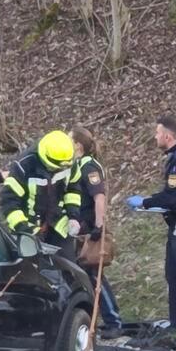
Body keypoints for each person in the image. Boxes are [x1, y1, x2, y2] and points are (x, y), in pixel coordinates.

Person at [127, 116, 176, 347]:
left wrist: (145, 202)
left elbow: (172, 197)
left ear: (168, 136)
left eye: (157, 133)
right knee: (172, 274)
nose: (155, 137)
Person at [69, 131, 122, 334]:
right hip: (81, 229)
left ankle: (113, 321)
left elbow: (98, 196)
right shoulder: (78, 166)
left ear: (78, 146)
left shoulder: (89, 166)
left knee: (94, 275)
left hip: (89, 230)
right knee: (86, 276)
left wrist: (99, 226)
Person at [0, 130, 78, 245]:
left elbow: (73, 189)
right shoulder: (24, 166)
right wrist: (25, 230)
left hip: (59, 227)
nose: (58, 171)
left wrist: (73, 216)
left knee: (67, 263)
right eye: (53, 168)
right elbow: (9, 203)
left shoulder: (68, 162)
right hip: (29, 230)